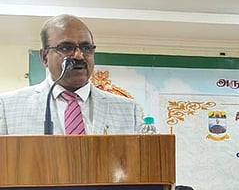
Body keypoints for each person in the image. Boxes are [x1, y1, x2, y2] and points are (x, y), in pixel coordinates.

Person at [0, 14, 143, 135]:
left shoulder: (128, 110)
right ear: (44, 57)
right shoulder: (7, 107)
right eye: (66, 48)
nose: (79, 56)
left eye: (86, 48)